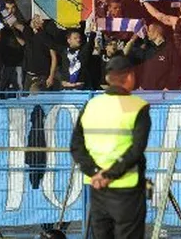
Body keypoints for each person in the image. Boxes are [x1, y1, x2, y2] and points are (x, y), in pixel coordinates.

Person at [70, 56, 151, 239]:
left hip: (97, 188)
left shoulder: (91, 105)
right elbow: (136, 149)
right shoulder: (137, 107)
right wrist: (109, 174)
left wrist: (95, 172)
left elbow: (76, 146)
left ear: (108, 79)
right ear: (130, 77)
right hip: (127, 188)